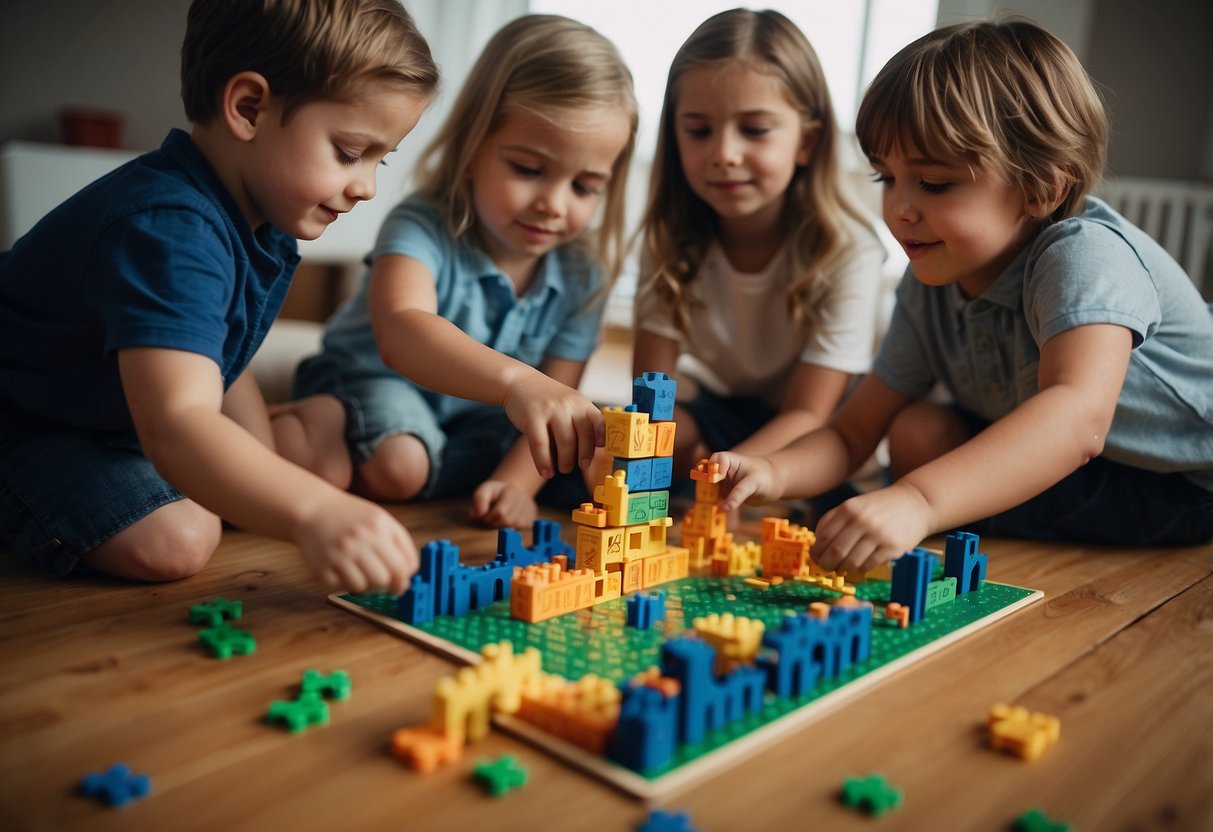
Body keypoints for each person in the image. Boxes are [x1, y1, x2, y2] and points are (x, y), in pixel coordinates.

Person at [712, 18, 1213, 572]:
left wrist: (916, 501)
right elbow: (855, 430)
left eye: (933, 183)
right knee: (914, 432)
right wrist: (774, 471)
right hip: (1082, 471)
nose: (899, 210)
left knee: (913, 485)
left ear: (1044, 187)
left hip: (1180, 485)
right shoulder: (930, 274)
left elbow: (1076, 419)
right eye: (886, 178)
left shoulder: (1083, 253)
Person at [0, 0, 439, 594]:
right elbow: (180, 421)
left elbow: (222, 363)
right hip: (27, 424)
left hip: (105, 412)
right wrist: (311, 510)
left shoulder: (258, 222)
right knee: (180, 536)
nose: (366, 187)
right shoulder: (170, 229)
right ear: (249, 108)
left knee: (282, 463)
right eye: (348, 152)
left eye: (379, 159)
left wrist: (269, 473)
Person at [272, 15, 637, 531]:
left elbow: (556, 398)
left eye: (584, 186)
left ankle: (407, 459)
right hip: (373, 379)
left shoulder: (584, 272)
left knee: (588, 448)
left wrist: (515, 484)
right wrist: (515, 382)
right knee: (401, 466)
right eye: (529, 170)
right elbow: (401, 330)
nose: (554, 204)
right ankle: (319, 424)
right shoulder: (423, 223)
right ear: (471, 148)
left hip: (475, 416)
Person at [632, 8, 885, 482]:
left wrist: (734, 472)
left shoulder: (850, 250)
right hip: (721, 408)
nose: (724, 154)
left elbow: (809, 413)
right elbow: (651, 399)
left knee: (833, 469)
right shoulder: (668, 239)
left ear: (807, 142)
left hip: (820, 421)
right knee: (659, 436)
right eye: (699, 130)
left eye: (755, 130)